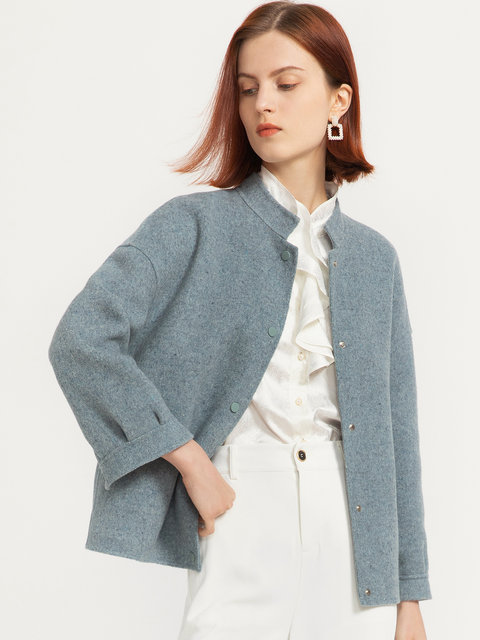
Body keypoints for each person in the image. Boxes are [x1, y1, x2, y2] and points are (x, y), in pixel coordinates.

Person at [48, 2, 432, 639]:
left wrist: (409, 596)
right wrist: (191, 461)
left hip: (355, 539)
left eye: (287, 84)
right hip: (238, 516)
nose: (263, 105)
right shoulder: (193, 225)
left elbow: (398, 436)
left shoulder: (375, 259)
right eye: (248, 89)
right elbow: (81, 340)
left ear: (338, 101)